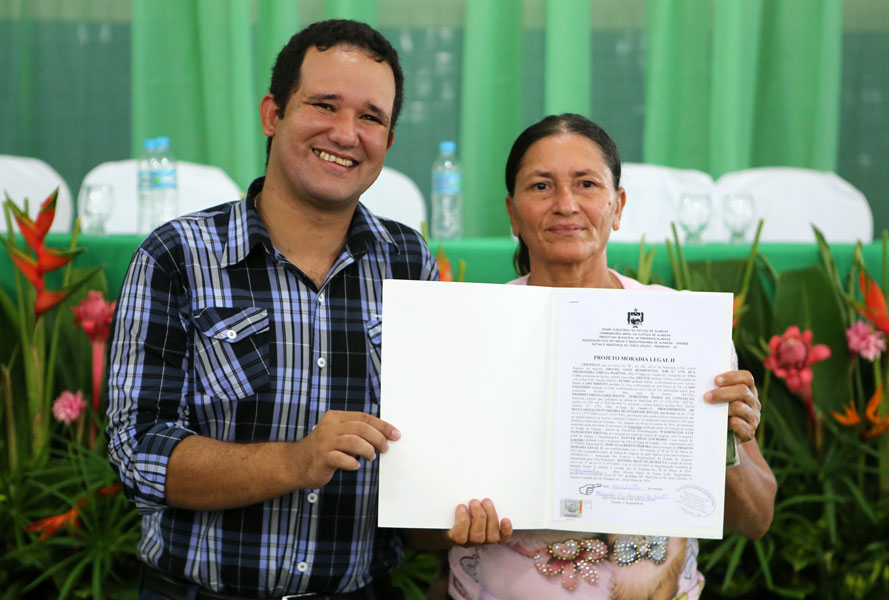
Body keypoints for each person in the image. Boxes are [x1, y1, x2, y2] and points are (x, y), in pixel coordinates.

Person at [106, 20, 439, 599]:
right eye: (325, 105)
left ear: (388, 138)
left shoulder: (408, 260)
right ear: (272, 114)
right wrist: (294, 462)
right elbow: (136, 452)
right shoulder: (177, 255)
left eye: (370, 117)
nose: (345, 133)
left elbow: (437, 441)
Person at [444, 114, 777, 599]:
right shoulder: (471, 331)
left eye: (586, 184)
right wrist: (456, 521)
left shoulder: (681, 329)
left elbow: (755, 517)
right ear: (513, 214)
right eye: (541, 186)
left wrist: (721, 440)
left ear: (617, 206)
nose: (566, 204)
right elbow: (415, 529)